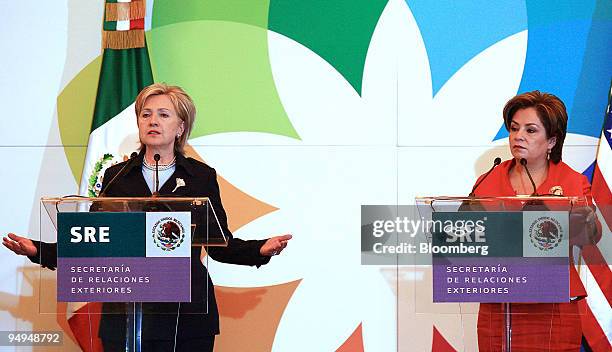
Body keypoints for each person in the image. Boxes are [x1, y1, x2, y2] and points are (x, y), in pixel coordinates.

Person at [3, 83, 292, 351]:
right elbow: (94, 242)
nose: (153, 121)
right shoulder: (116, 177)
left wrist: (259, 248)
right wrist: (39, 249)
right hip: (125, 313)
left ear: (180, 127)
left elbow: (218, 244)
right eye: (146, 114)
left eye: (163, 115)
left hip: (185, 316)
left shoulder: (199, 178)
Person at [470, 91, 601, 351]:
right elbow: (465, 237)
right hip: (499, 306)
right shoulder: (488, 181)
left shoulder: (572, 182)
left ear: (551, 140)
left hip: (553, 308)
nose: (518, 136)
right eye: (514, 128)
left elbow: (591, 235)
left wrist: (580, 223)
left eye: (531, 130)